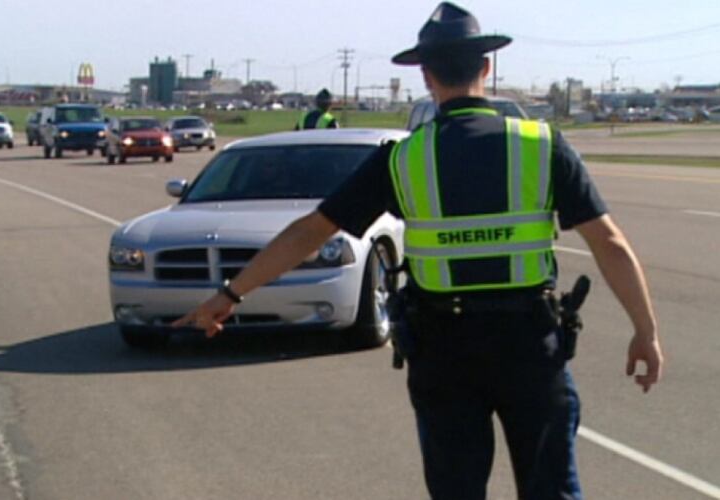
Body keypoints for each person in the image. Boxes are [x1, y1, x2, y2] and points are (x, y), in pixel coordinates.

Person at [173, 3, 664, 499]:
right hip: (529, 347)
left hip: (444, 350)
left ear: (426, 77)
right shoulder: (542, 144)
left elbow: (310, 232)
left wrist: (231, 294)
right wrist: (645, 331)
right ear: (486, 69)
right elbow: (610, 243)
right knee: (551, 490)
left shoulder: (403, 158)